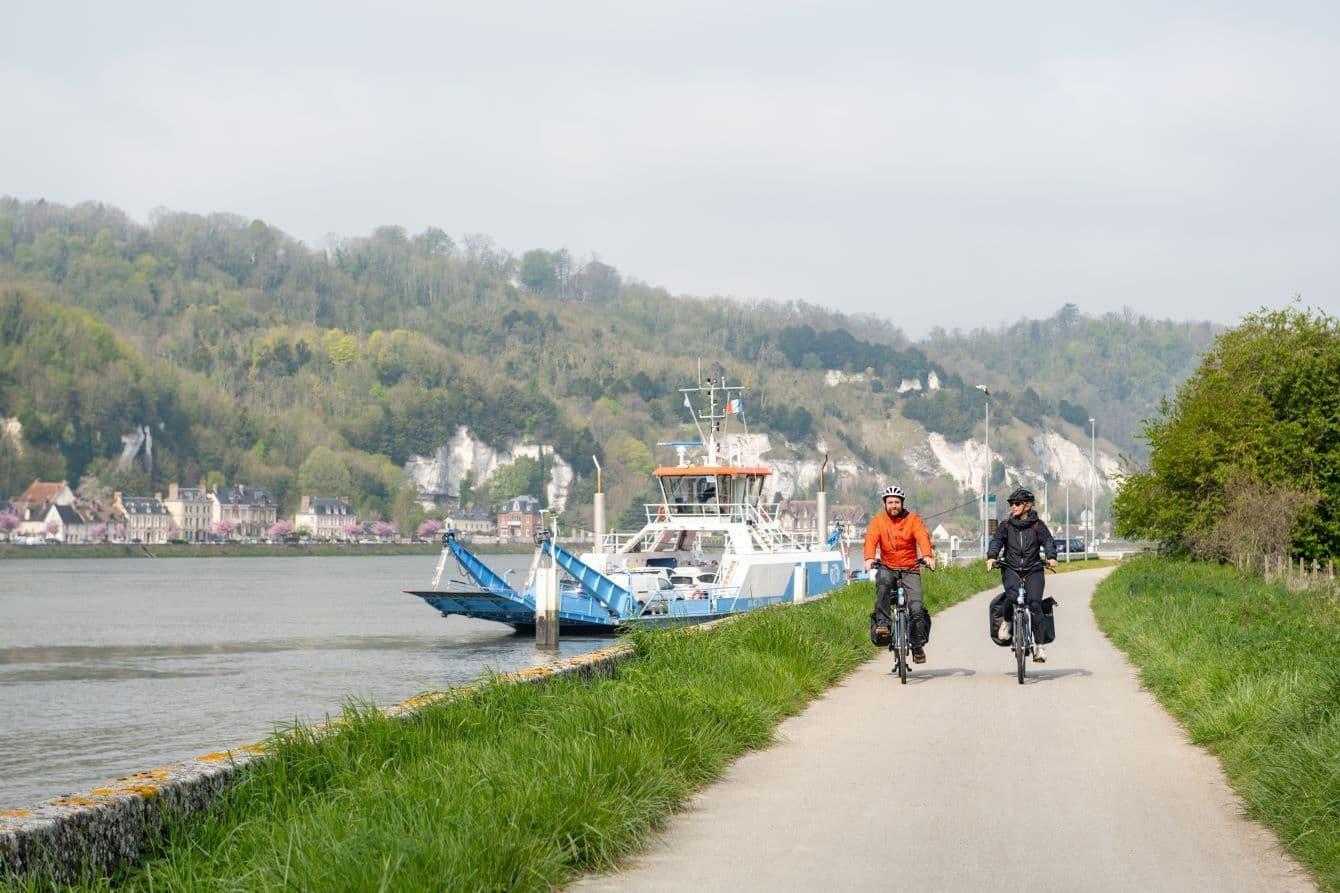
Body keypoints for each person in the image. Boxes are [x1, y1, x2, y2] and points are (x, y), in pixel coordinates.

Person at [864, 485, 936, 662]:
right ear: (885, 504)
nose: (893, 505)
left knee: (917, 607)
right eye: (890, 502)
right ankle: (883, 624)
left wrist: (927, 556)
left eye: (897, 502)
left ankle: (917, 645)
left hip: (910, 567)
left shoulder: (913, 520)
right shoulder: (878, 521)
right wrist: (868, 558)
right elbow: (871, 539)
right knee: (882, 585)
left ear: (902, 503)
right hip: (887, 566)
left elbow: (922, 537)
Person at [986, 487, 1058, 661]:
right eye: (1012, 504)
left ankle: (1039, 647)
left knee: (1034, 605)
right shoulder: (1005, 526)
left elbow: (1048, 541)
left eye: (1017, 503)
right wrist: (992, 557)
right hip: (1011, 568)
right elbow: (996, 542)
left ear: (1027, 506)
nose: (1013, 506)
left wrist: (1051, 557)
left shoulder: (1037, 525)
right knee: (1011, 597)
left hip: (1033, 569)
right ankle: (1007, 622)